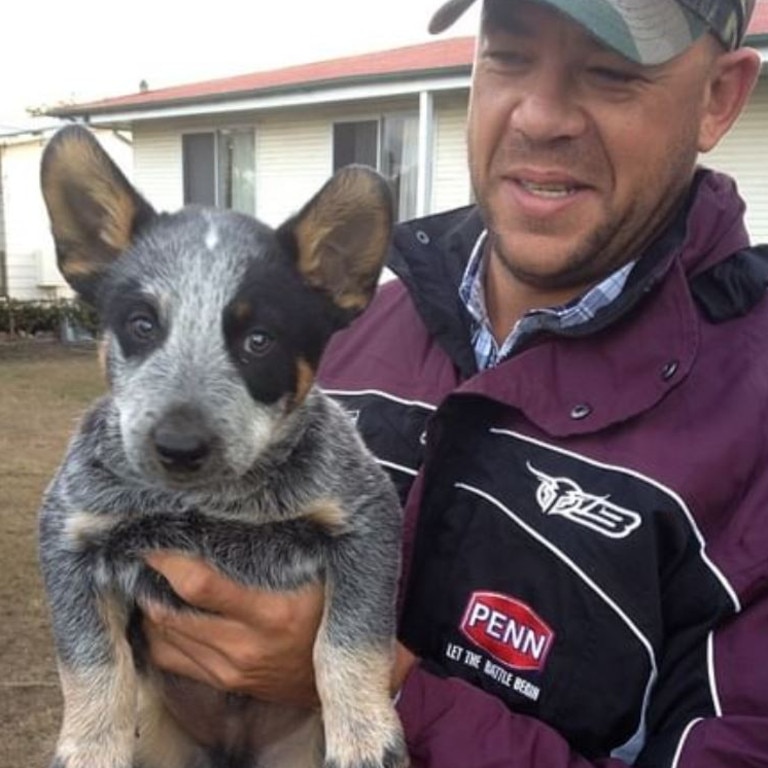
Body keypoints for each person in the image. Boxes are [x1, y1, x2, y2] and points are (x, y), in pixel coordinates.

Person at [141, 0, 768, 765]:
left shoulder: (751, 422)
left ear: (718, 98)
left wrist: (378, 689)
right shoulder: (344, 330)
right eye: (506, 55)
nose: (538, 118)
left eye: (611, 73)